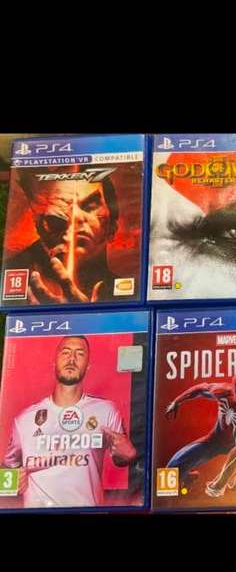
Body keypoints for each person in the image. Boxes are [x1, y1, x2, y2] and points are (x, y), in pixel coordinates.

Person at [3, 336, 136, 506]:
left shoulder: (106, 410)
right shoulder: (24, 420)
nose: (71, 359)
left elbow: (122, 458)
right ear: (54, 362)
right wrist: (14, 482)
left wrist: (128, 455)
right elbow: (8, 470)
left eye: (79, 354)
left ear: (88, 365)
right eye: (65, 352)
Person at [6, 170, 122, 303]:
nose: (74, 217)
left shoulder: (130, 291)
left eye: (89, 207)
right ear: (39, 224)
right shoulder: (13, 275)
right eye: (59, 207)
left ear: (113, 227)